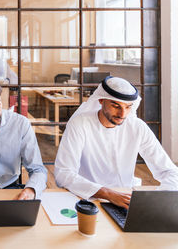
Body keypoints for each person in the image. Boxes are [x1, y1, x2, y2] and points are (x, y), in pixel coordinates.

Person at [55, 76, 178, 209]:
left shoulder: (137, 127)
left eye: (128, 107)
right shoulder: (80, 124)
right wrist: (108, 194)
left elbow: (169, 171)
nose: (122, 114)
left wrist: (158, 198)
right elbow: (64, 173)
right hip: (87, 197)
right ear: (101, 100)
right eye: (116, 106)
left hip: (125, 199)